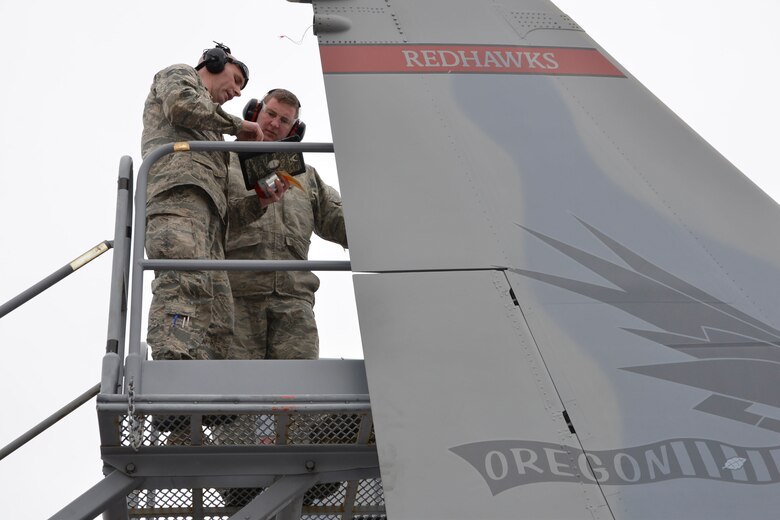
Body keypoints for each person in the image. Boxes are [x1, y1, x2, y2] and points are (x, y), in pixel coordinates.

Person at [142, 43, 286, 361]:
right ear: (214, 63)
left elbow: (228, 209)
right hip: (178, 201)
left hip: (210, 223)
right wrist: (238, 126)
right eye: (235, 80)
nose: (236, 92)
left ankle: (206, 392)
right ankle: (173, 365)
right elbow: (181, 106)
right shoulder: (180, 75)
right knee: (183, 284)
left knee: (220, 314)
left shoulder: (215, 137)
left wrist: (259, 201)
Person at [225, 88, 348, 360]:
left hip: (294, 303)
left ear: (295, 130)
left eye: (284, 121)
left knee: (298, 391)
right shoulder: (222, 161)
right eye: (270, 114)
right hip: (237, 296)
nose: (274, 124)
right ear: (254, 112)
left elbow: (339, 222)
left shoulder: (305, 176)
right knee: (235, 391)